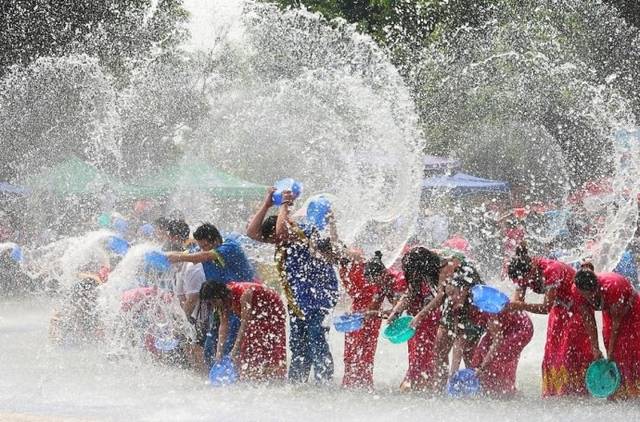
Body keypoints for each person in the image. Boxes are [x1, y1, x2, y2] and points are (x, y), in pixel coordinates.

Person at [247, 188, 339, 383]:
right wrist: (266, 205)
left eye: (273, 238)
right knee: (298, 346)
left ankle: (325, 385)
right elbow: (252, 232)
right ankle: (298, 384)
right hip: (298, 302)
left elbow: (281, 231)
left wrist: (285, 206)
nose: (274, 242)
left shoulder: (301, 232)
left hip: (319, 299)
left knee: (317, 341)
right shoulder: (281, 240)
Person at [506, 243, 593, 397]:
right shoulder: (522, 272)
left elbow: (546, 308)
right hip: (559, 308)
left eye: (525, 279)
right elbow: (518, 301)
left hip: (577, 307)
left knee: (570, 351)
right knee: (552, 352)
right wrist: (508, 308)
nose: (523, 282)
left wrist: (521, 305)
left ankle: (578, 391)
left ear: (531, 269)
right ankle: (554, 392)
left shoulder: (551, 270)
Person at [406, 248, 485, 392]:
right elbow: (441, 297)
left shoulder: (450, 265)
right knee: (438, 350)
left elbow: (446, 299)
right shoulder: (440, 263)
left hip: (472, 308)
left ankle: (474, 388)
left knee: (468, 354)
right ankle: (440, 386)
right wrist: (419, 316)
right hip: (454, 305)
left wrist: (420, 315)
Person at [339, 250, 404, 389]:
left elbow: (397, 311)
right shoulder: (381, 283)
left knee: (366, 353)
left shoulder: (397, 281)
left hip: (424, 315)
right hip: (370, 316)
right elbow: (373, 307)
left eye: (373, 281)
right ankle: (357, 384)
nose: (373, 284)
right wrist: (359, 314)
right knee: (357, 353)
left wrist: (374, 313)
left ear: (381, 274)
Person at [573, 266, 640, 400]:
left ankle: (634, 391)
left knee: (628, 349)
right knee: (608, 341)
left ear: (597, 286)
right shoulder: (576, 290)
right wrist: (595, 348)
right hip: (609, 313)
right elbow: (589, 320)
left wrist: (610, 352)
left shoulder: (612, 286)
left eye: (591, 294)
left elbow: (617, 324)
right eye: (585, 295)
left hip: (632, 312)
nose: (589, 298)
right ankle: (618, 391)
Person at [199, 281, 287, 381]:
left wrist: (234, 350)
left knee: (265, 347)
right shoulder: (222, 302)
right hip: (255, 315)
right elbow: (223, 327)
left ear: (219, 295)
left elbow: (245, 325)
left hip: (272, 310)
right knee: (247, 350)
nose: (213, 305)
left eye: (213, 302)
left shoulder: (244, 294)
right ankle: (250, 377)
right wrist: (218, 354)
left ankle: (274, 377)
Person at [386, 247, 442, 391]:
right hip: (415, 322)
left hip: (429, 321)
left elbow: (436, 300)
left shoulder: (434, 278)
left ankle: (425, 384)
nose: (410, 273)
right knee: (416, 354)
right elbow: (410, 293)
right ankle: (416, 381)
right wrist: (396, 312)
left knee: (425, 354)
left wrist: (419, 317)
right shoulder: (418, 277)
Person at [454, 305, 534, 398]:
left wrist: (482, 367)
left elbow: (497, 341)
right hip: (502, 327)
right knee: (478, 357)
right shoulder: (459, 309)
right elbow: (459, 341)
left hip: (520, 328)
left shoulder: (487, 310)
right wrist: (453, 374)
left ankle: (508, 393)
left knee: (495, 362)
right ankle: (485, 389)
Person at [167, 223, 255, 284]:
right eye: (201, 246)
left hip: (245, 292)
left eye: (205, 246)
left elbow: (206, 256)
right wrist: (165, 255)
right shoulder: (202, 250)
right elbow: (184, 253)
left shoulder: (230, 246)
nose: (203, 250)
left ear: (216, 240)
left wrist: (179, 257)